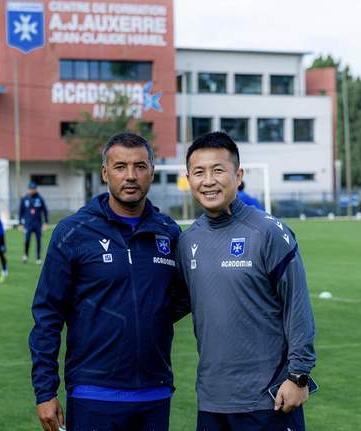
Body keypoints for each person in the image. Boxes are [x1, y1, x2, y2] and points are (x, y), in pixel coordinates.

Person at [29, 132, 188, 431]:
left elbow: (183, 296)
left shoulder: (168, 232)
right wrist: (45, 391)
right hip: (93, 393)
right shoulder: (73, 232)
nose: (131, 176)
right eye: (120, 167)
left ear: (152, 172)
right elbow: (48, 314)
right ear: (105, 172)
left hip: (154, 391)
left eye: (140, 166)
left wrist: (148, 313)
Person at [177, 132, 316, 430]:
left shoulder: (268, 232)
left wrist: (298, 376)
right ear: (189, 179)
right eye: (199, 172)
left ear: (238, 176)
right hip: (211, 401)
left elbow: (298, 307)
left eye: (218, 170)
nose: (208, 181)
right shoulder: (188, 240)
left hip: (269, 399)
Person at [19, 182, 49, 264]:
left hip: (37, 223)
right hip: (28, 223)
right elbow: (21, 211)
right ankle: (25, 255)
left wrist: (46, 222)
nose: (31, 190)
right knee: (27, 239)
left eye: (33, 189)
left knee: (38, 240)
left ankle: (38, 258)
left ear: (36, 189)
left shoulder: (40, 199)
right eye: (30, 189)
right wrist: (20, 223)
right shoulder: (25, 199)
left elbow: (45, 211)